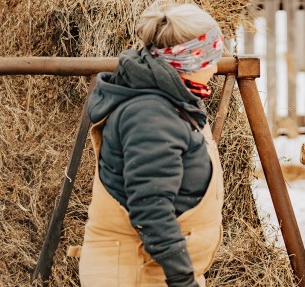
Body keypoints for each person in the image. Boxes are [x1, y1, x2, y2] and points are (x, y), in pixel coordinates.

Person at [78, 3, 226, 287]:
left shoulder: (170, 100)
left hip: (156, 273)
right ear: (189, 63)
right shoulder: (150, 114)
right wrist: (184, 281)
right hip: (137, 275)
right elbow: (151, 209)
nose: (217, 67)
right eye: (210, 58)